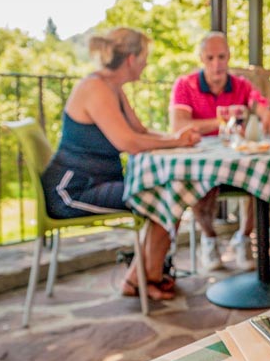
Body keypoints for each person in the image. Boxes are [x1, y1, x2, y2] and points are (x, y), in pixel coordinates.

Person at [41, 27, 201, 300]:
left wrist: (178, 137)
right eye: (145, 57)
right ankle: (141, 278)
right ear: (131, 59)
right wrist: (176, 143)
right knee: (163, 198)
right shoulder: (95, 88)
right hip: (72, 190)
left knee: (168, 196)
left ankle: (141, 278)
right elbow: (129, 142)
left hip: (99, 183)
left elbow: (141, 131)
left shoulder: (113, 88)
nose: (147, 63)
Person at [170, 32, 270, 271]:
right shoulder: (185, 85)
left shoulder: (240, 85)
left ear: (229, 56)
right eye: (210, 58)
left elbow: (259, 104)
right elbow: (179, 126)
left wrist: (266, 113)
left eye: (221, 57)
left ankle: (243, 237)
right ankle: (209, 239)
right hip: (203, 164)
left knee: (261, 176)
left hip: (237, 161)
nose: (216, 64)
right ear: (201, 58)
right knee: (197, 185)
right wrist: (220, 121)